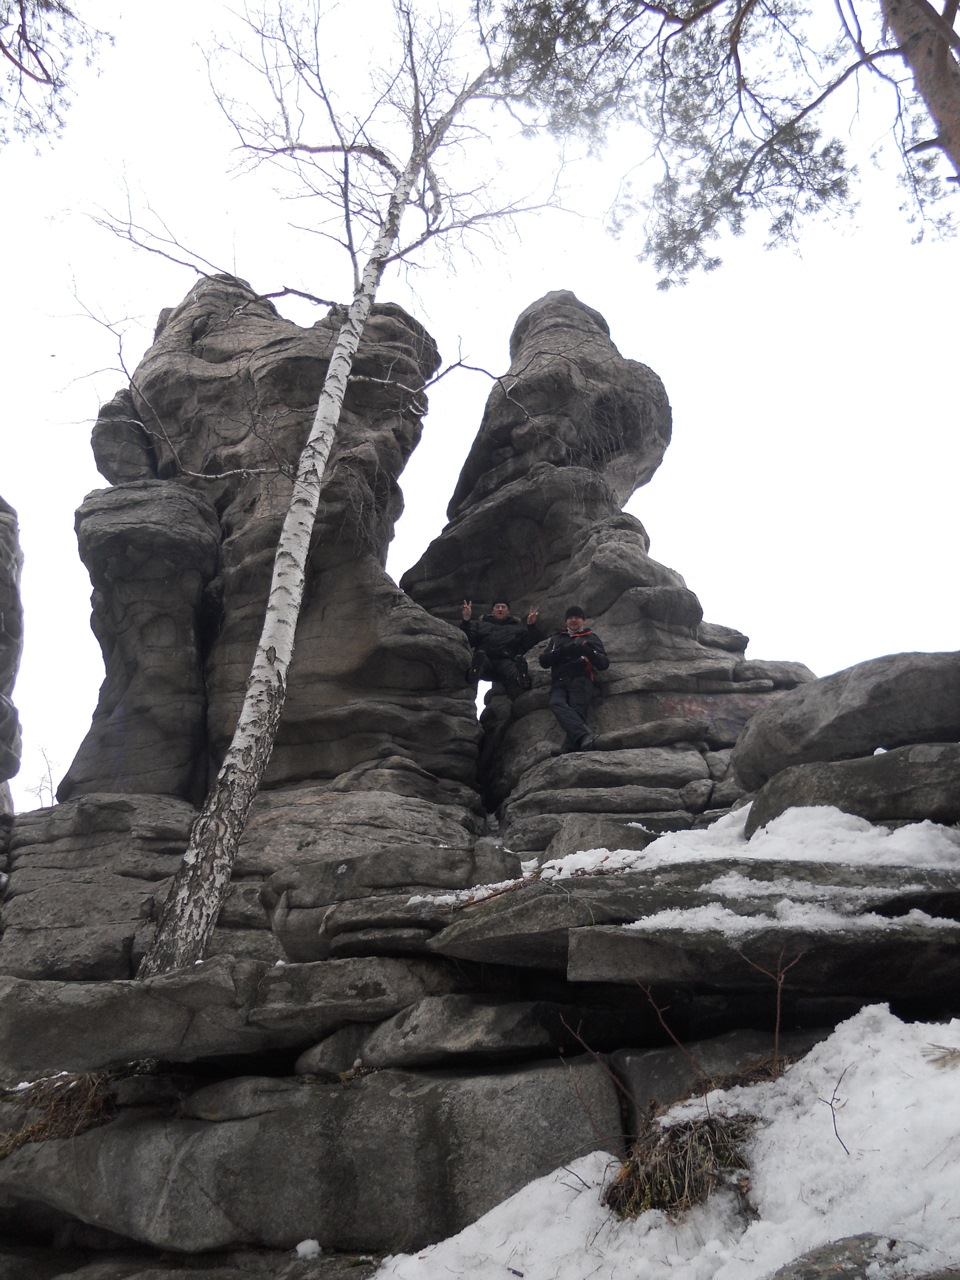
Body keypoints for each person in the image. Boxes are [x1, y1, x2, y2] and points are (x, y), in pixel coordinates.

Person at [539, 605, 609, 754]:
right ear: (566, 621)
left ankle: (569, 748)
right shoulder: (557, 638)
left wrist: (588, 651)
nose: (573, 620)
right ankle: (585, 736)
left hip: (581, 678)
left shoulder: (590, 637)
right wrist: (562, 651)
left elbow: (603, 663)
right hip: (559, 680)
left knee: (577, 710)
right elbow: (544, 661)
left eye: (577, 617)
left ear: (583, 620)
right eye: (570, 618)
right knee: (556, 703)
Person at [460, 598, 540, 700]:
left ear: (508, 611)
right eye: (497, 607)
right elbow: (468, 640)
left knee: (513, 668)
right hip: (486, 658)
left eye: (503, 607)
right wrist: (466, 620)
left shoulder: (517, 628)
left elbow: (529, 644)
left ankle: (523, 680)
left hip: (505, 659)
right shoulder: (480, 625)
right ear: (492, 611)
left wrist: (531, 626)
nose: (500, 609)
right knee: (480, 660)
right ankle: (473, 673)